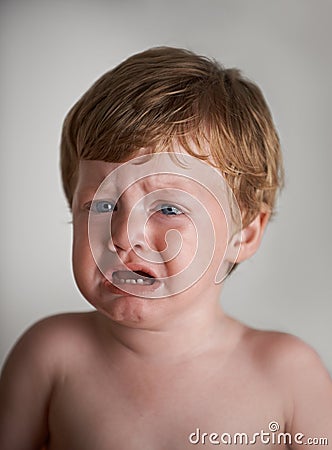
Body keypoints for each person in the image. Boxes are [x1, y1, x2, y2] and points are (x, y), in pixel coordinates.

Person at [0, 47, 331, 450]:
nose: (124, 234)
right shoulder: (52, 357)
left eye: (168, 208)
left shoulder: (289, 376)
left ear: (242, 234)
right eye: (104, 205)